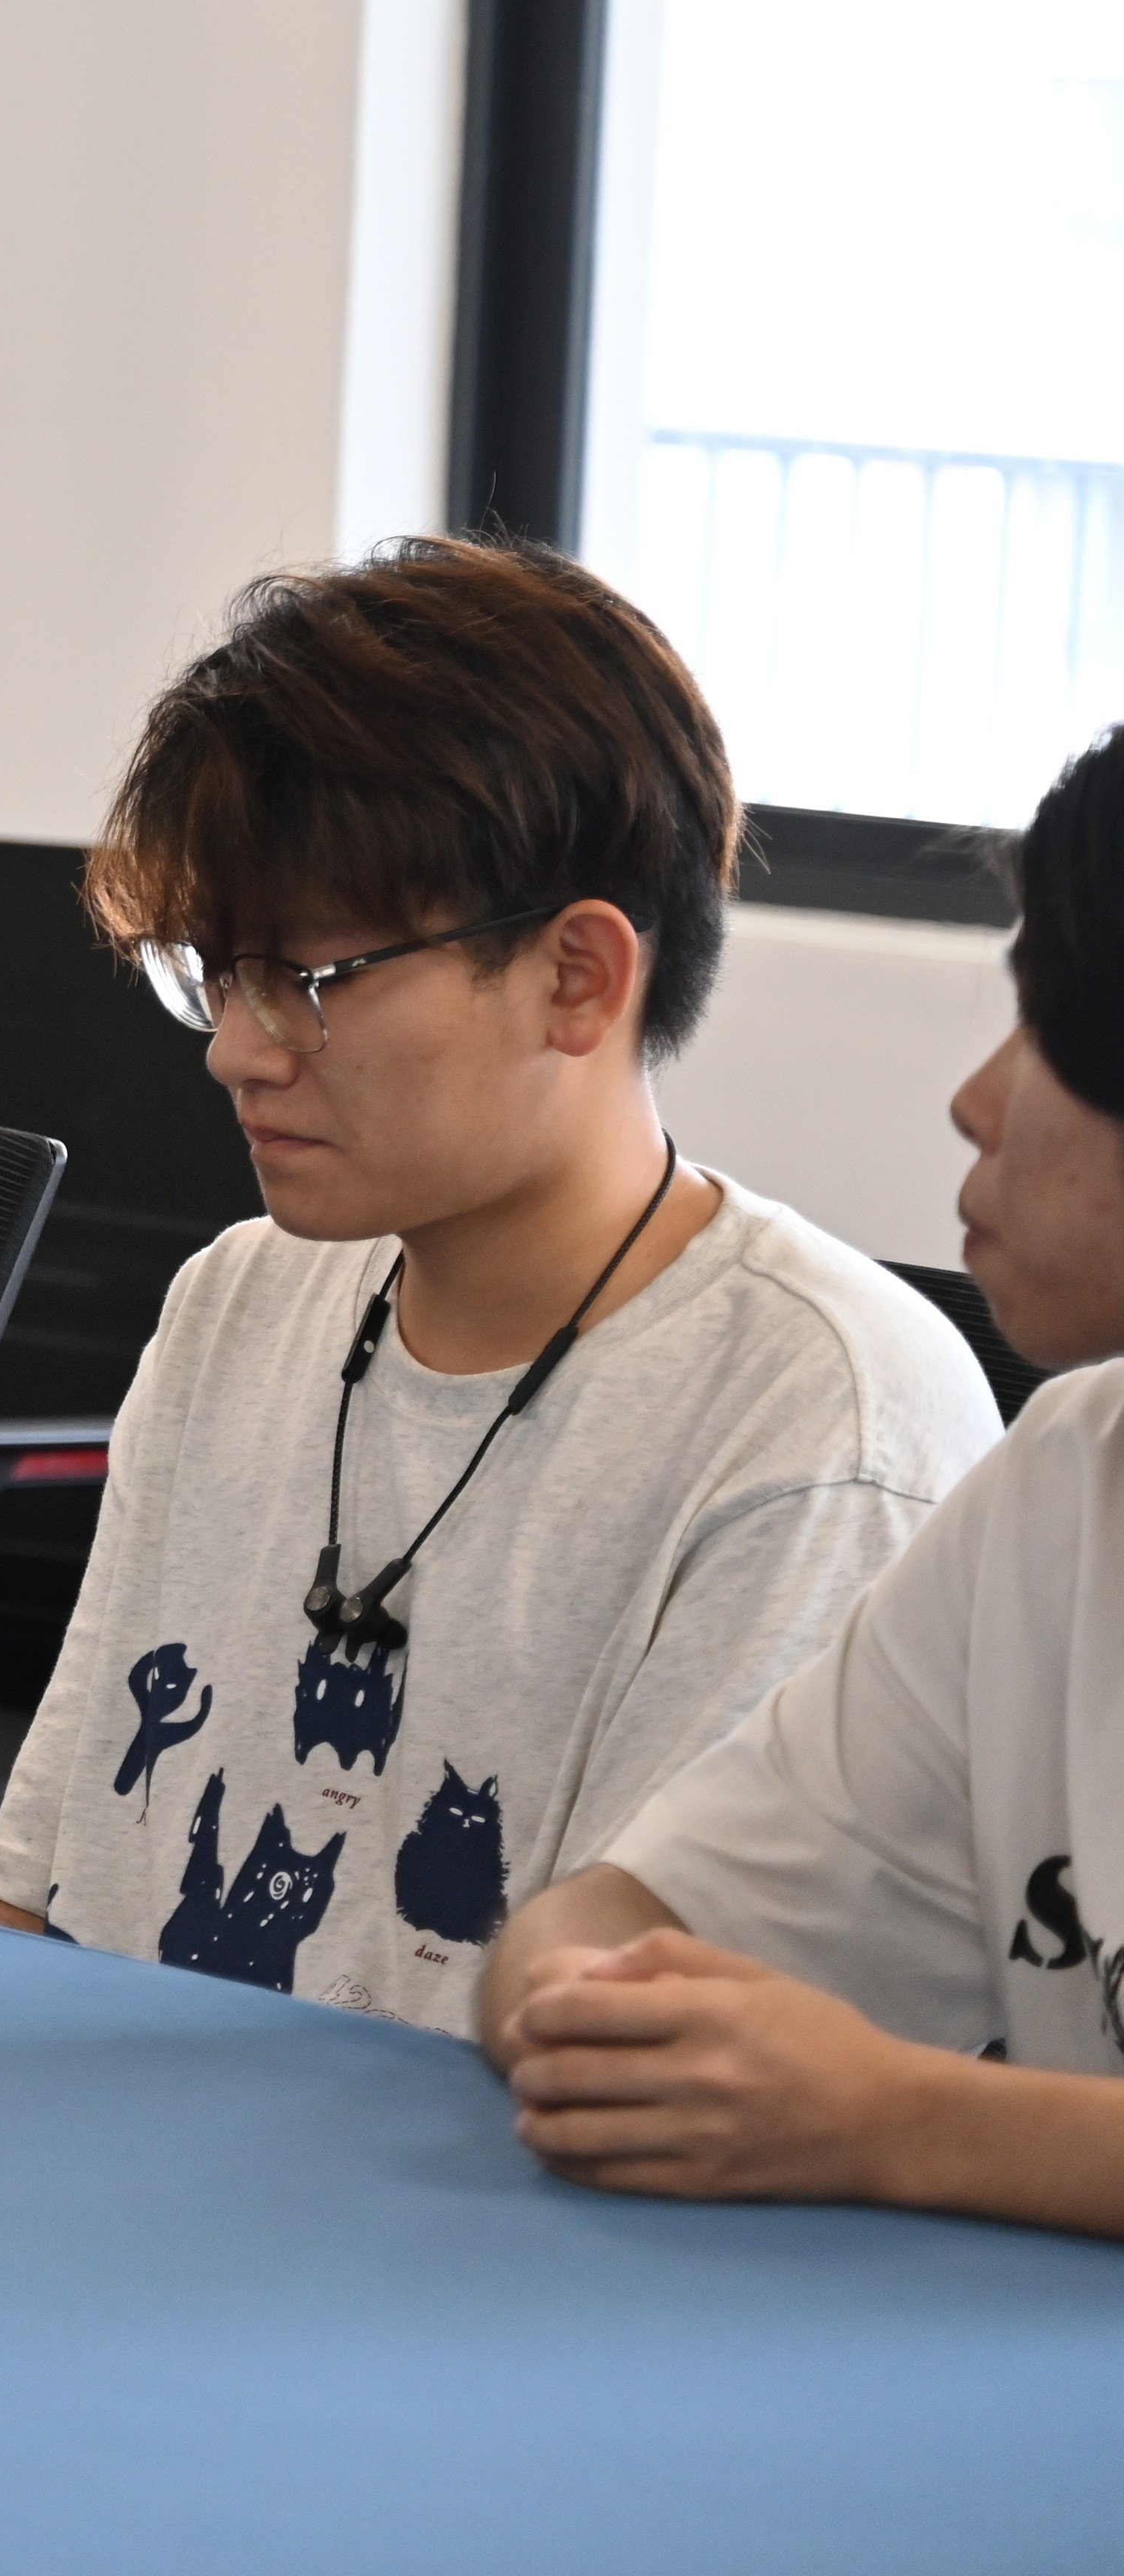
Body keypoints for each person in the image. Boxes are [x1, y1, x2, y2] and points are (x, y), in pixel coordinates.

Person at [0, 538, 996, 2034]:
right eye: (218, 972)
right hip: (115, 2137)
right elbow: (31, 1897)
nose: (235, 1049)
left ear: (576, 976)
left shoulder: (819, 1421)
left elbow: (634, 2071)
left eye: (306, 981)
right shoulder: (236, 1300)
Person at [477, 720, 1124, 2232]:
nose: (975, 1099)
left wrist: (895, 2118)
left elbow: (860, 2101)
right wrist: (591, 2007)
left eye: (1047, 1028)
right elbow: (618, 1914)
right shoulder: (1059, 1485)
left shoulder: (836, 1378)